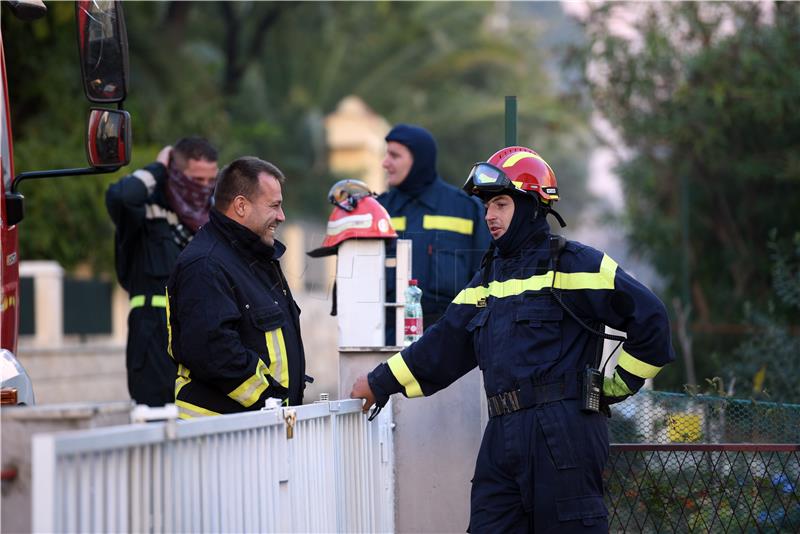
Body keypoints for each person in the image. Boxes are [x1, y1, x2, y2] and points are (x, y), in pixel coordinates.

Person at [351, 146, 675, 532]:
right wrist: (378, 382)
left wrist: (612, 387)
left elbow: (652, 321)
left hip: (563, 434)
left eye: (501, 204)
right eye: (488, 206)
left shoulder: (577, 264)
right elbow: (445, 341)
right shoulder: (489, 277)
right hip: (501, 433)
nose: (489, 215)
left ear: (531, 206)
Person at [166, 157, 307, 419]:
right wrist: (272, 402)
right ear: (241, 206)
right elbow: (215, 353)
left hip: (255, 430)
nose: (281, 216)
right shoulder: (205, 265)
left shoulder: (254, 259)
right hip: (218, 438)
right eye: (274, 206)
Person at [106, 136, 218, 406]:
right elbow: (120, 196)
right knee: (156, 423)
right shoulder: (146, 207)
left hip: (200, 335)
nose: (204, 189)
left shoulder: (211, 220)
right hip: (153, 335)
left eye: (210, 181)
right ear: (176, 174)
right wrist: (158, 167)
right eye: (196, 180)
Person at [378, 124, 490, 328]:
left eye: (394, 156)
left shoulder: (465, 209)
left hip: (449, 341)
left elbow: (486, 278)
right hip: (387, 339)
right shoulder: (378, 210)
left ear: (419, 159)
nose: (385, 163)